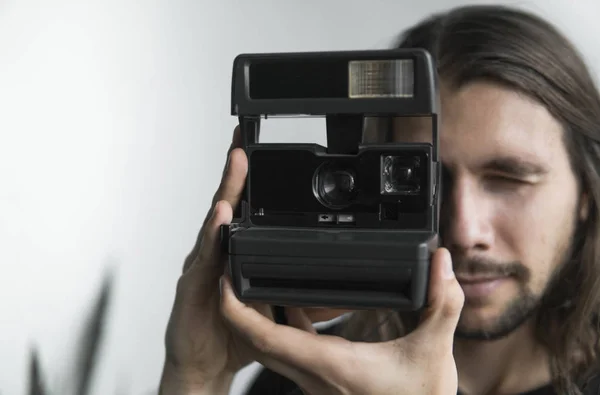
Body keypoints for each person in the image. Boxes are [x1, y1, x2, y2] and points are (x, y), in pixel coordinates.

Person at [157, 4, 600, 395]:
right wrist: (197, 377)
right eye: (421, 177)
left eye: (508, 179)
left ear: (585, 189)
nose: (465, 230)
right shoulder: (308, 368)